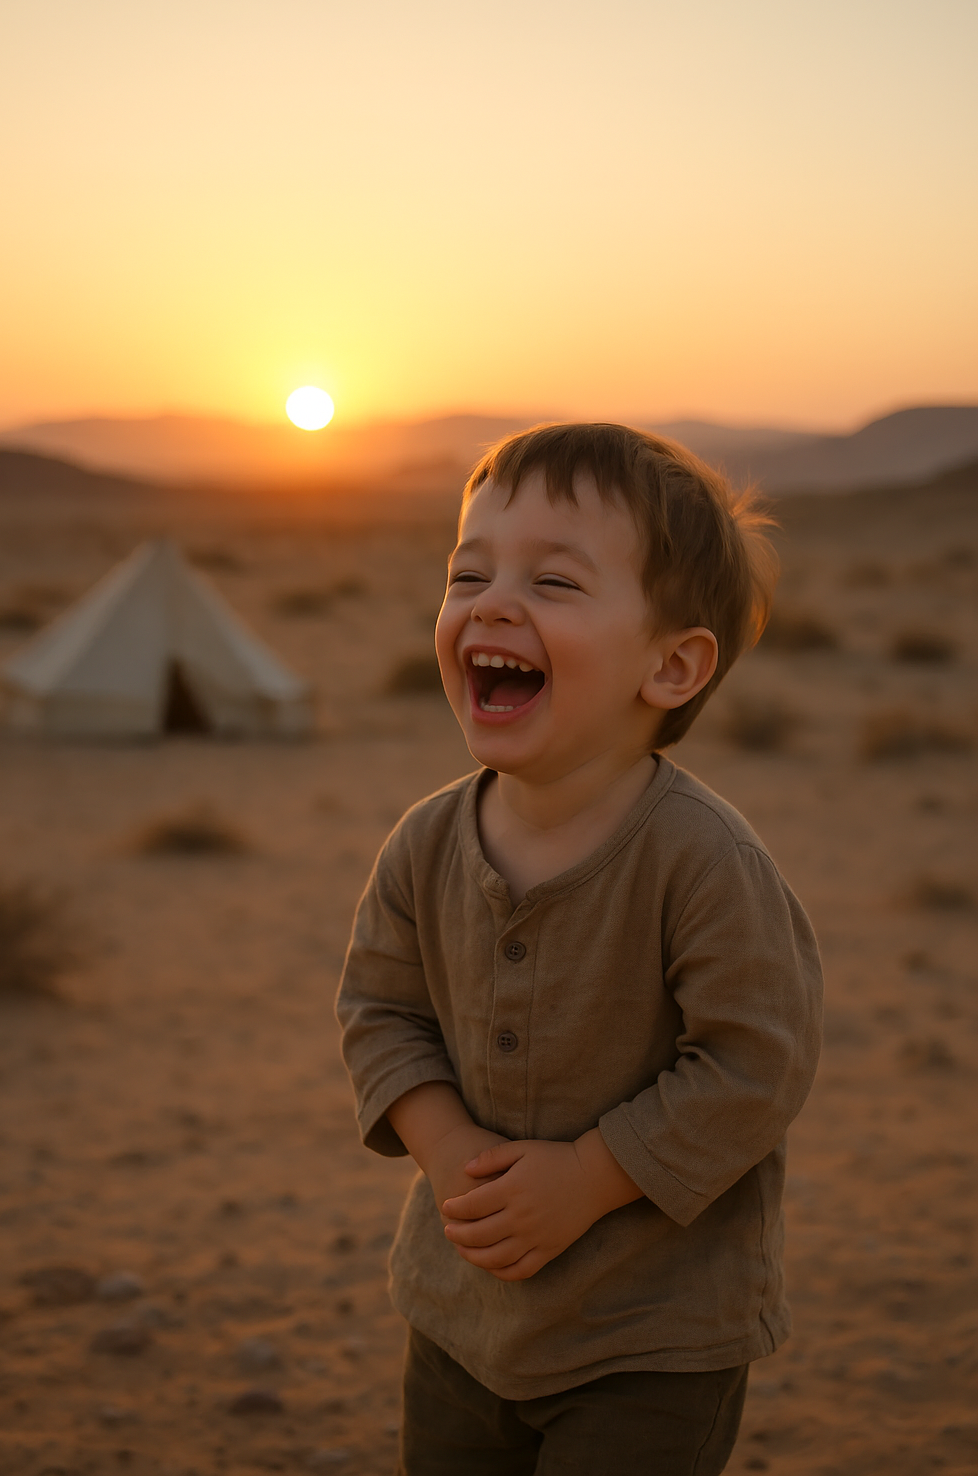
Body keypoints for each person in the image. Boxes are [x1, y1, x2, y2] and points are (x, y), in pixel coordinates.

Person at [336, 422, 823, 1475]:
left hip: (650, 1339)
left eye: (553, 583)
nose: (491, 602)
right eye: (468, 571)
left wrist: (591, 1178)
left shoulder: (701, 862)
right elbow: (380, 1011)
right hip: (461, 1319)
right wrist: (444, 1146)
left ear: (672, 665)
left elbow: (756, 1062)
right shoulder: (424, 845)